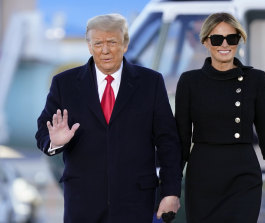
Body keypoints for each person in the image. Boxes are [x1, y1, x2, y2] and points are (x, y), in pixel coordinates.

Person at [35, 13, 182, 223]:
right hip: (82, 202)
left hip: (135, 202)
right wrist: (54, 143)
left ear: (125, 44)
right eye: (98, 43)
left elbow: (168, 142)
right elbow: (42, 131)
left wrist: (171, 192)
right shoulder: (64, 84)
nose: (105, 50)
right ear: (89, 46)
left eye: (112, 42)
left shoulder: (151, 83)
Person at [175, 12, 265, 223]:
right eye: (217, 39)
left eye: (232, 38)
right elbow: (180, 144)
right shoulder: (190, 82)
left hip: (242, 178)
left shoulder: (255, 79)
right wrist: (170, 193)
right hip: (203, 180)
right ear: (206, 41)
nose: (224, 44)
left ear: (239, 40)